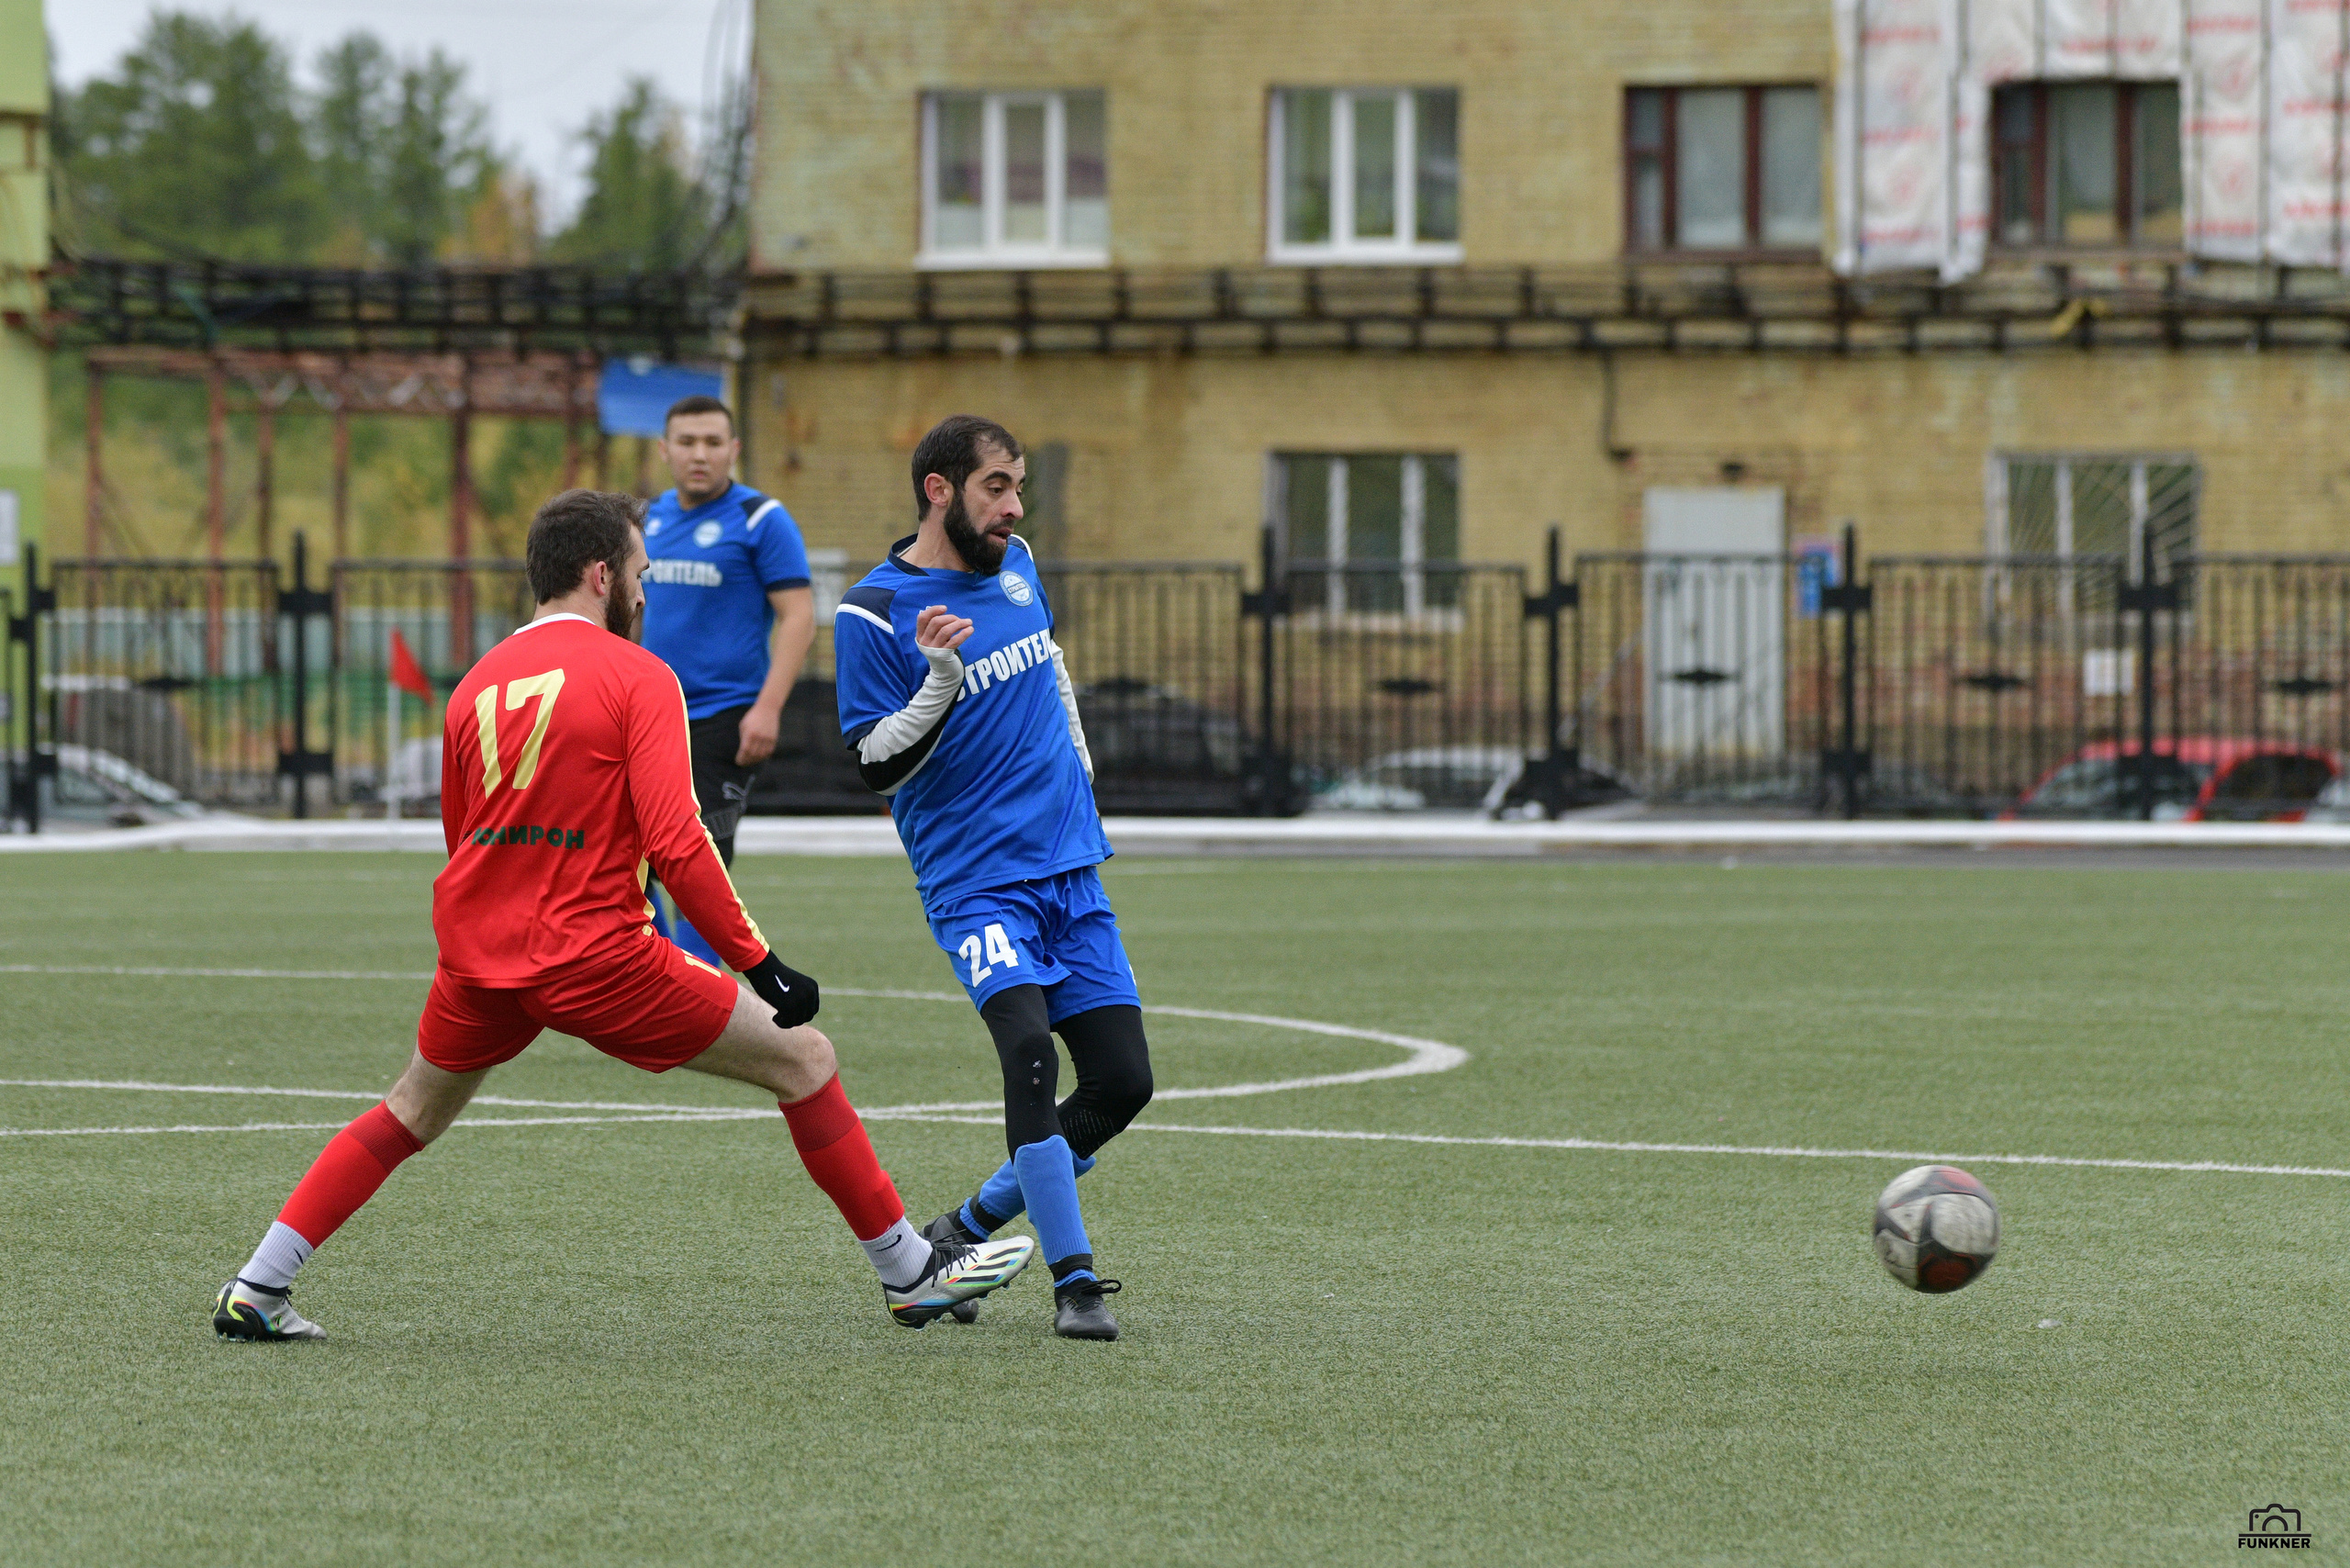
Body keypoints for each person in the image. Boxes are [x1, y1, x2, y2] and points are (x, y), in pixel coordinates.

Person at [212, 488, 1031, 1342]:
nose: (647, 593)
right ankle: (908, 1273)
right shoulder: (640, 675)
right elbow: (679, 843)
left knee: (409, 1111)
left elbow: (465, 843)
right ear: (601, 575)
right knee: (807, 1058)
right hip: (598, 958)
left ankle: (258, 1285)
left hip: (478, 960)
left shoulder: (475, 686)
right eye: (641, 574)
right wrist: (760, 964)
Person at [832, 415, 1153, 1342]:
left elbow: (1051, 674)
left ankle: (963, 1230)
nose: (1014, 507)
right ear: (940, 489)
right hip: (977, 886)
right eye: (996, 487)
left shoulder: (1020, 568)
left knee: (1122, 1084)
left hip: (1069, 873)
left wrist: (1081, 764)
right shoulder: (872, 609)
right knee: (1026, 1053)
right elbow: (874, 764)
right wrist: (936, 679)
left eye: (1017, 488)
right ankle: (1076, 1281)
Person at [639, 394, 816, 968]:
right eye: (687, 442)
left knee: (699, 865)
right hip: (646, 718)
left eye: (713, 443)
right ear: (665, 450)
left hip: (724, 718)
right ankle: (665, 974)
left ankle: (691, 995)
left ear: (733, 450)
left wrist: (767, 709)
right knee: (622, 855)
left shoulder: (762, 519)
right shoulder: (644, 521)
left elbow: (798, 615)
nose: (700, 454)